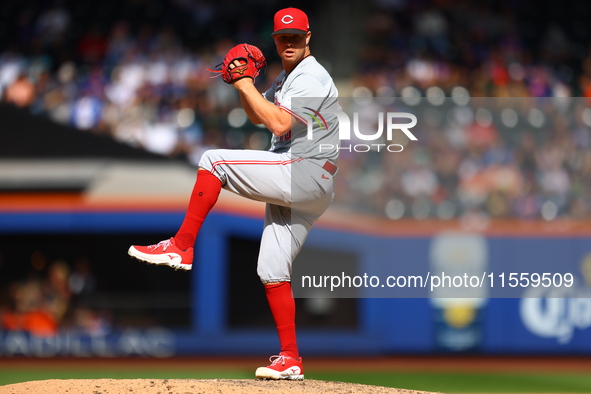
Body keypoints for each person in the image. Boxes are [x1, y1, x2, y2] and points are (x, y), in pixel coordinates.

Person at [128, 7, 340, 380]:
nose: (288, 42)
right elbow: (259, 115)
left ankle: (181, 244)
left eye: (295, 36)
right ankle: (291, 358)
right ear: (275, 40)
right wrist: (247, 85)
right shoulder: (289, 77)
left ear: (308, 37)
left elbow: (277, 122)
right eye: (282, 37)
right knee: (271, 268)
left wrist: (244, 82)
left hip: (304, 169)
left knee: (213, 160)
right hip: (307, 181)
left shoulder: (311, 76)